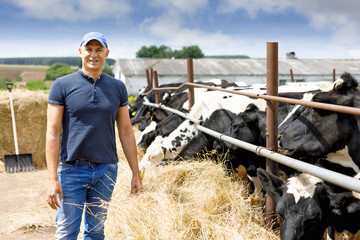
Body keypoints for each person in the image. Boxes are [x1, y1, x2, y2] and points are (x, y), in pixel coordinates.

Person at [46, 32, 143, 240]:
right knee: (66, 232)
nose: (93, 54)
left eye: (99, 49)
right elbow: (53, 133)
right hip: (72, 171)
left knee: (96, 231)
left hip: (106, 171)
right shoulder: (62, 85)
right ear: (80, 51)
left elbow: (126, 131)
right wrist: (52, 178)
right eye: (89, 49)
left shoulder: (117, 87)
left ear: (107, 53)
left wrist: (136, 172)